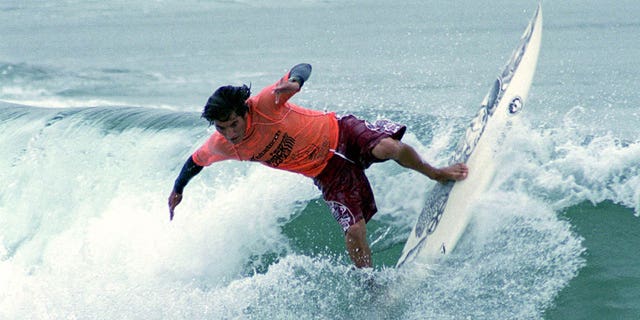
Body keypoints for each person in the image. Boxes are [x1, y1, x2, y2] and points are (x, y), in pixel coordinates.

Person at [168, 63, 468, 268]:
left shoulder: (265, 103)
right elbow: (195, 163)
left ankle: (437, 173)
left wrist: (295, 81)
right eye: (222, 128)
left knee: (389, 147)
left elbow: (304, 67)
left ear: (244, 111)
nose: (230, 133)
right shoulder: (223, 145)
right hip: (326, 172)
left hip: (341, 132)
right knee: (353, 231)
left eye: (233, 123)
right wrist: (178, 190)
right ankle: (369, 284)